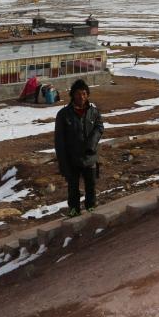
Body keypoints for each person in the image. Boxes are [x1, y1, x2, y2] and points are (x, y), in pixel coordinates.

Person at [54, 79, 104, 217]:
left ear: (87, 95)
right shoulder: (63, 115)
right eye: (77, 94)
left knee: (91, 186)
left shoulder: (93, 112)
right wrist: (63, 164)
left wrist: (91, 144)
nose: (81, 97)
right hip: (72, 159)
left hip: (90, 156)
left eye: (83, 93)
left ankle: (91, 209)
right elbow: (59, 141)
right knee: (73, 188)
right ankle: (74, 210)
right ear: (72, 95)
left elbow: (99, 127)